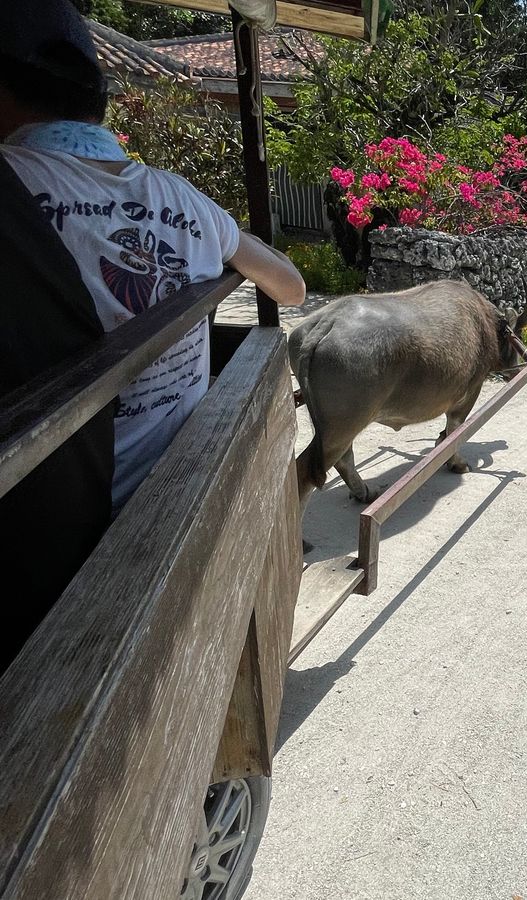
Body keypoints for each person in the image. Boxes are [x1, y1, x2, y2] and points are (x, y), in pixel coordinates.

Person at [0, 0, 306, 668]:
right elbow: (291, 288)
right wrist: (214, 246)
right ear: (101, 104)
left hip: (52, 552)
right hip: (175, 489)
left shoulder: (18, 188)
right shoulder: (180, 197)